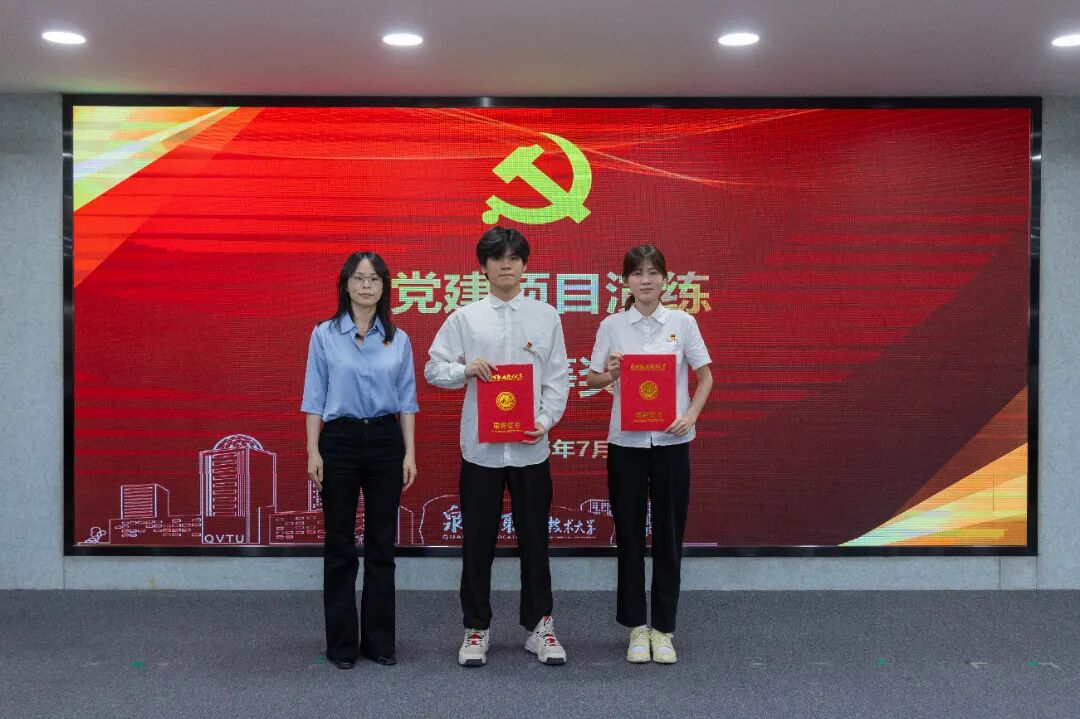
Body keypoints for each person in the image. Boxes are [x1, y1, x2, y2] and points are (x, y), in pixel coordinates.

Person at [425, 226, 570, 667]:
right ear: (483, 267)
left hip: (530, 448)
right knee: (477, 542)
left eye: (513, 258)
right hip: (481, 451)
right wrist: (464, 370)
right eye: (497, 258)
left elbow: (558, 377)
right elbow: (433, 369)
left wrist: (544, 421)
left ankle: (540, 627)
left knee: (535, 541)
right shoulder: (465, 318)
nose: (506, 265)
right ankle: (476, 627)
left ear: (525, 266)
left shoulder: (545, 316)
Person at [586, 244, 713, 665]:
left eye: (653, 272)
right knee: (628, 535)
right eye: (638, 273)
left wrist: (689, 416)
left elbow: (705, 378)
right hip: (626, 444)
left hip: (672, 444)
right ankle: (636, 627)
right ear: (625, 281)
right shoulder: (612, 325)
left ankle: (664, 628)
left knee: (669, 536)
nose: (646, 280)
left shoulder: (683, 322)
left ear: (665, 279)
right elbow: (591, 379)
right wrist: (611, 372)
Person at [301, 251, 419, 669]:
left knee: (381, 544)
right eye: (358, 278)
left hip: (386, 442)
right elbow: (314, 397)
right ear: (345, 285)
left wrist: (410, 452)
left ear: (384, 287)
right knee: (339, 545)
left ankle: (379, 642)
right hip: (340, 442)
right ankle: (342, 645)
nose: (366, 285)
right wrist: (313, 450)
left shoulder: (398, 338)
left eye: (374, 279)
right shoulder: (324, 334)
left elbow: (407, 400)